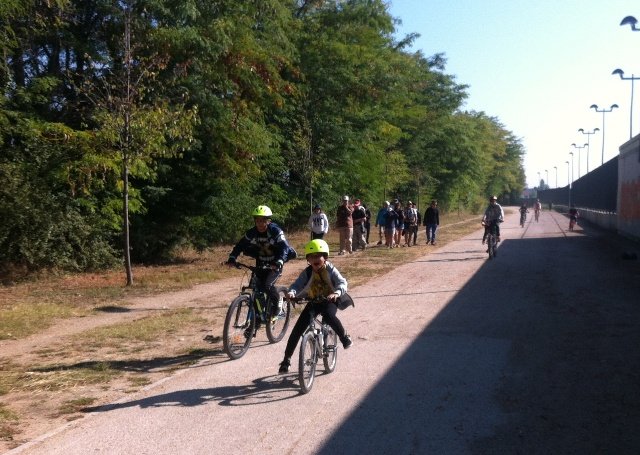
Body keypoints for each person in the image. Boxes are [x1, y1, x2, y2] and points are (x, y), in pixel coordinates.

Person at [278, 239, 352, 373]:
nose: (315, 259)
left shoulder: (331, 269)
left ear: (325, 257)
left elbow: (342, 282)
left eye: (319, 256)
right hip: (313, 301)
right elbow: (297, 285)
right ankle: (286, 361)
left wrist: (336, 293)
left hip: (330, 300)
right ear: (308, 260)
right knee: (297, 330)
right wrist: (292, 292)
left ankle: (344, 337)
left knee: (329, 316)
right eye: (312, 257)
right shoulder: (307, 272)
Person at [225, 205, 288, 315]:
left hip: (275, 263)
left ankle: (278, 305)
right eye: (257, 220)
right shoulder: (252, 232)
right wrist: (232, 257)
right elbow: (240, 245)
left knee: (267, 285)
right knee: (255, 289)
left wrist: (280, 261)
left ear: (268, 221)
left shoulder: (275, 231)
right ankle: (256, 321)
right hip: (261, 263)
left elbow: (284, 247)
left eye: (263, 221)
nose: (260, 224)